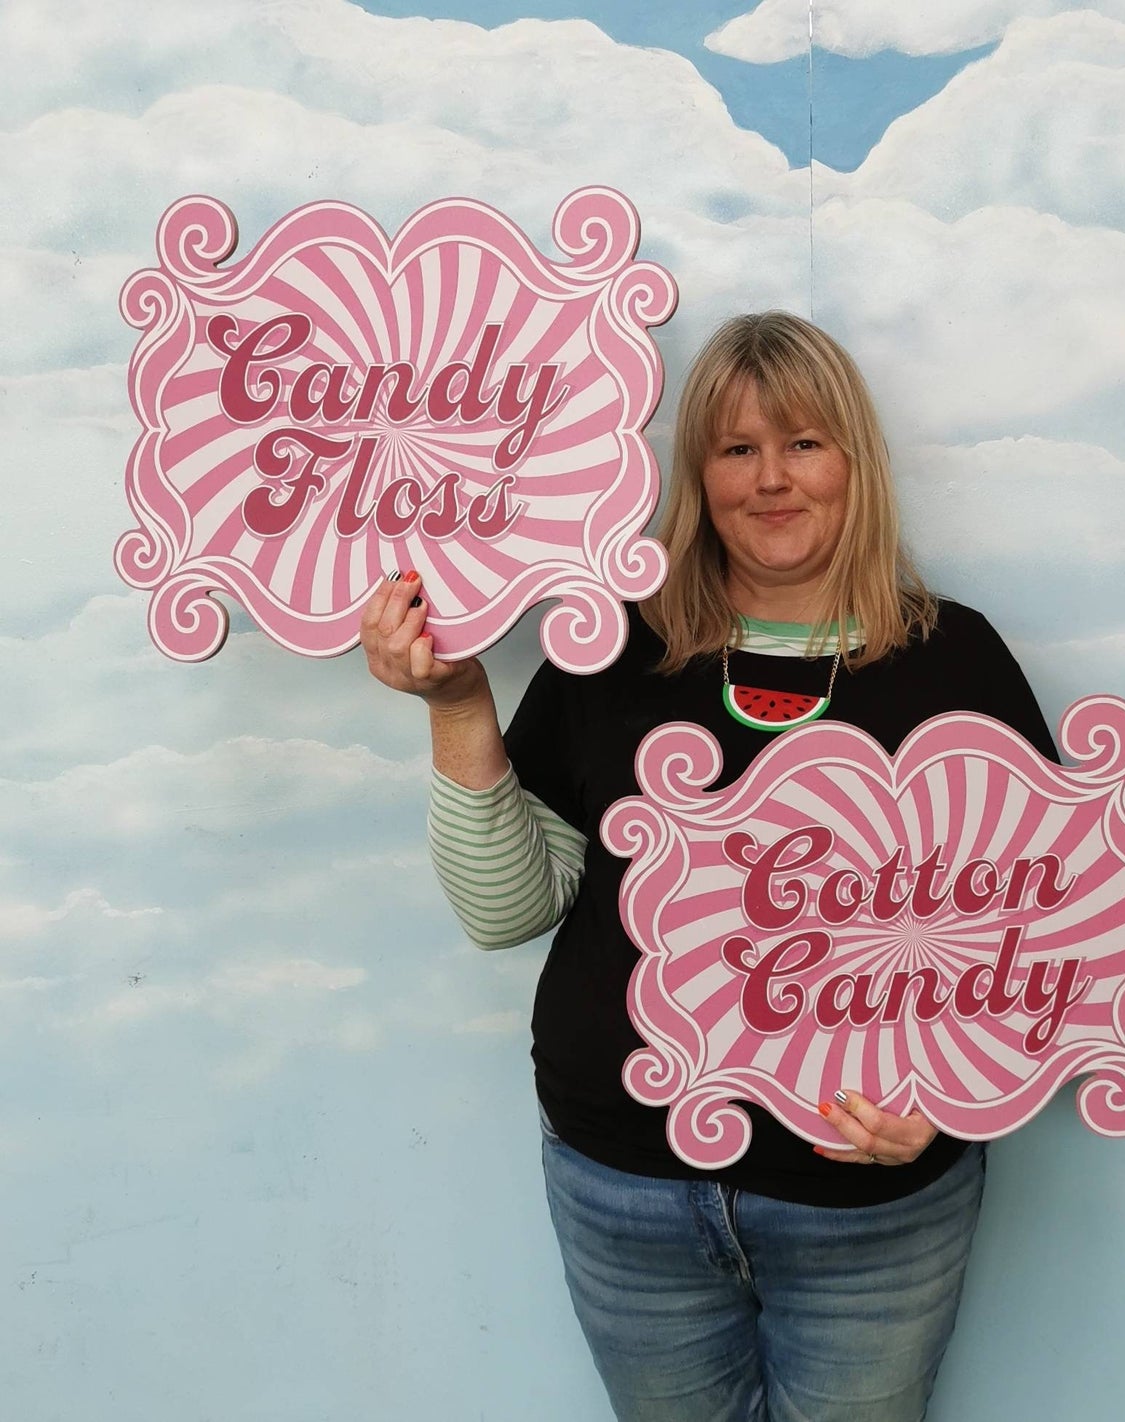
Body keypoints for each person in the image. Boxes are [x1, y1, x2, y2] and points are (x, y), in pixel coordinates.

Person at [361, 311, 1058, 1421]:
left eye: (803, 443)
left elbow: (1041, 933)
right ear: (696, 474)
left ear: (855, 464)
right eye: (736, 449)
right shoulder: (614, 649)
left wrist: (952, 1095)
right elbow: (509, 912)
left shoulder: (952, 661)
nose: (771, 480)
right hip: (621, 1183)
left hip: (867, 1205)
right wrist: (456, 704)